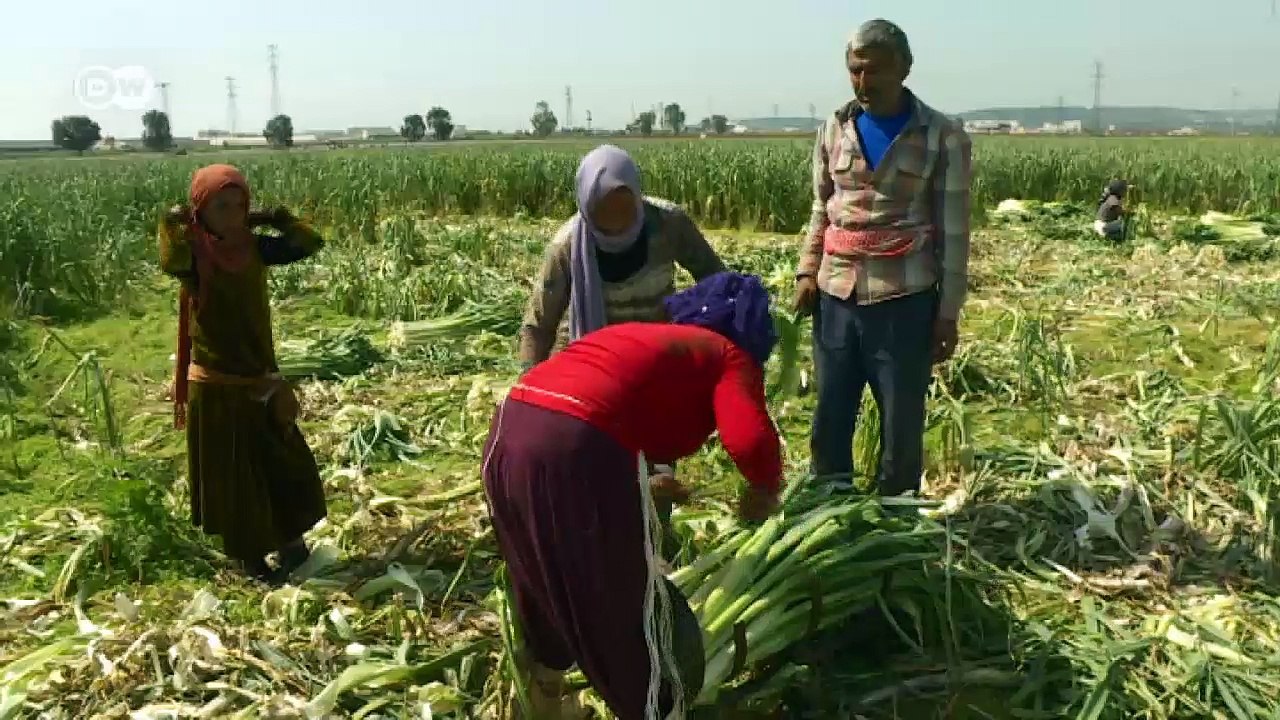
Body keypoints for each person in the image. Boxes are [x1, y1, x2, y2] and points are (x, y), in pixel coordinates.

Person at [483, 271, 784, 720]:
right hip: (571, 443)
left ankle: (543, 699)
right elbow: (750, 441)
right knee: (618, 593)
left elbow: (609, 402)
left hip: (507, 432)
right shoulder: (727, 354)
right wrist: (763, 489)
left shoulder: (646, 340)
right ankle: (649, 708)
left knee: (542, 574)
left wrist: (640, 480)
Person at [792, 18, 973, 496]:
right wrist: (806, 270)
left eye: (875, 70)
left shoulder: (942, 136)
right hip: (835, 295)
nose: (863, 81)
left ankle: (896, 518)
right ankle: (831, 511)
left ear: (905, 68)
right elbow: (821, 207)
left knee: (901, 424)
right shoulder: (834, 127)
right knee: (830, 417)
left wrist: (948, 314)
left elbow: (953, 232)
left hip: (904, 298)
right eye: (855, 70)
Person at [519, 143, 727, 558]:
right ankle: (603, 545)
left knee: (658, 459)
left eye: (624, 219)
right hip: (592, 367)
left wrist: (707, 332)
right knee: (596, 460)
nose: (615, 232)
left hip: (655, 364)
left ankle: (655, 542)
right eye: (603, 224)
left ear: (637, 198)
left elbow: (716, 279)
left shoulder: (668, 224)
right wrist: (526, 394)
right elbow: (537, 325)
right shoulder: (567, 245)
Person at [158, 163, 328, 582]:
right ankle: (247, 559)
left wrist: (274, 218)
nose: (233, 214)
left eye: (240, 204)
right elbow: (169, 253)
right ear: (202, 209)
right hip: (218, 384)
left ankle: (291, 546)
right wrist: (175, 219)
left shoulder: (256, 247)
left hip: (259, 378)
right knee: (233, 477)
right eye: (221, 205)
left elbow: (309, 242)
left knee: (281, 463)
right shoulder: (192, 257)